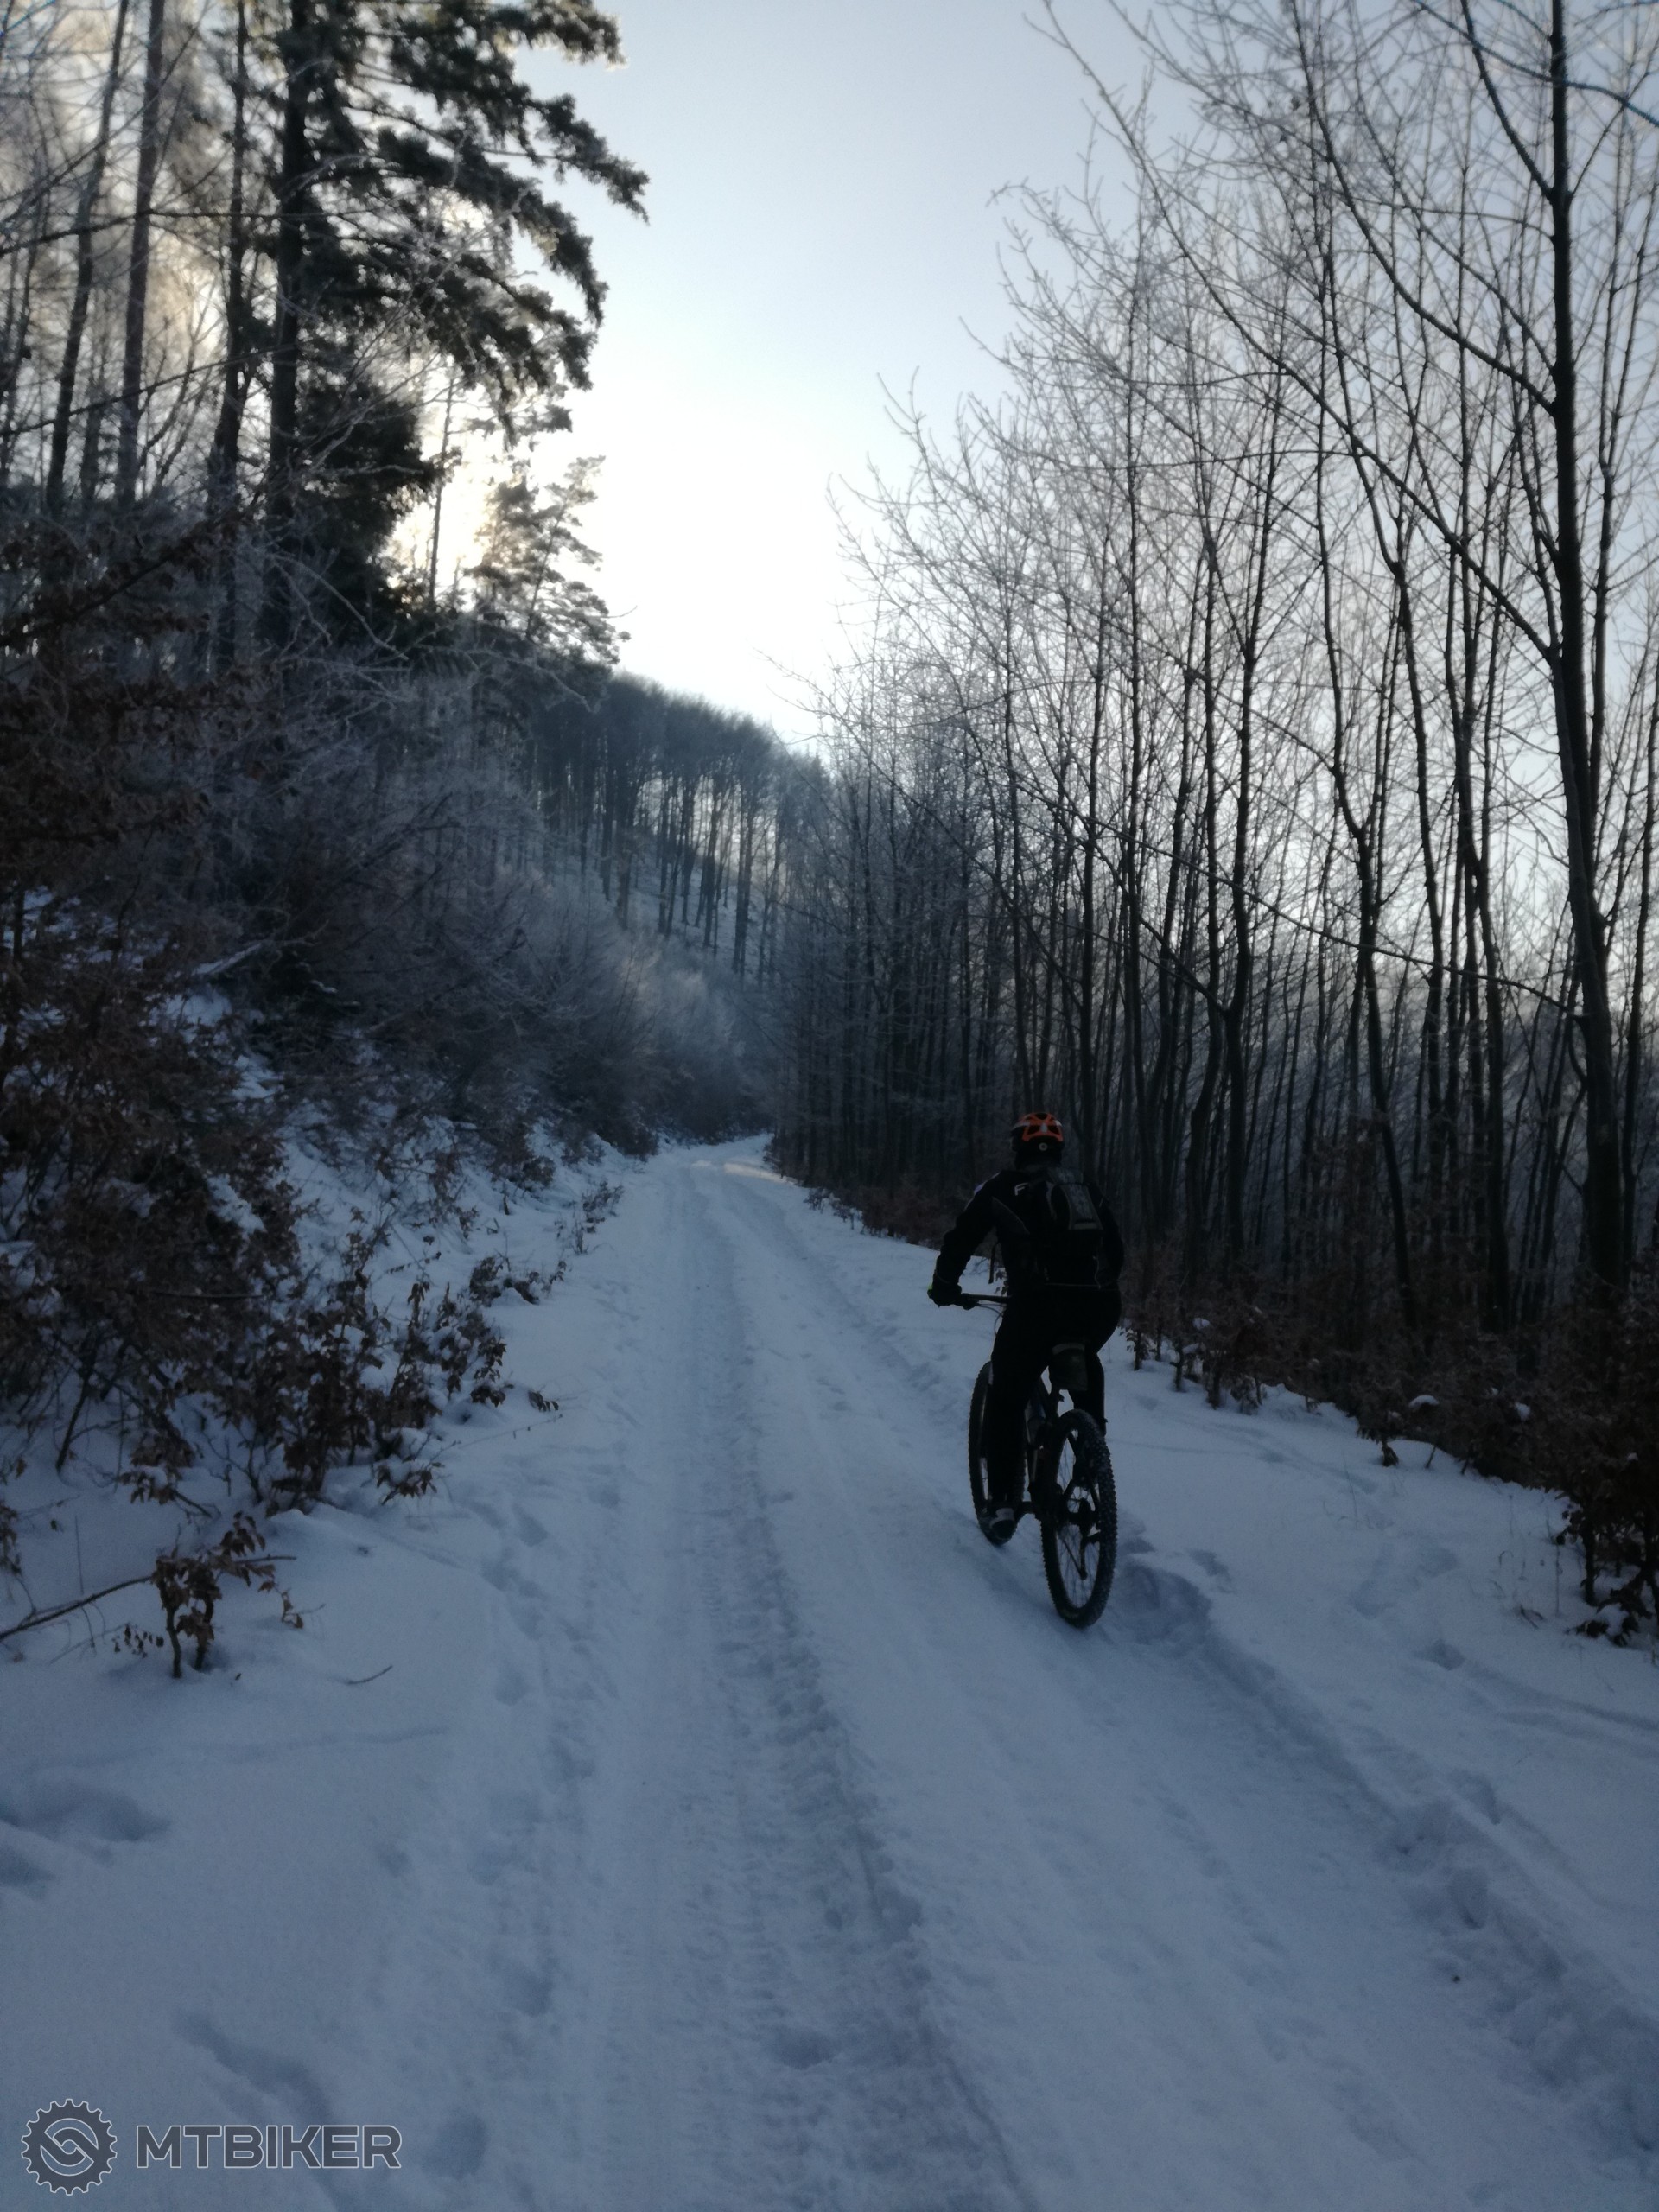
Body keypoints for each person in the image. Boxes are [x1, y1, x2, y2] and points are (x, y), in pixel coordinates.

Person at [928, 1111, 1125, 1542]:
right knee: (1084, 1355)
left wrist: (944, 1285)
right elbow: (1117, 1252)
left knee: (1006, 1393)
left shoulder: (1001, 1187)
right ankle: (1091, 1453)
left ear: (1018, 1148)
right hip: (1098, 1307)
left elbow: (961, 1237)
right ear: (1059, 1151)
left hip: (1037, 1308)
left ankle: (1001, 1502)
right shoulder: (1086, 1188)